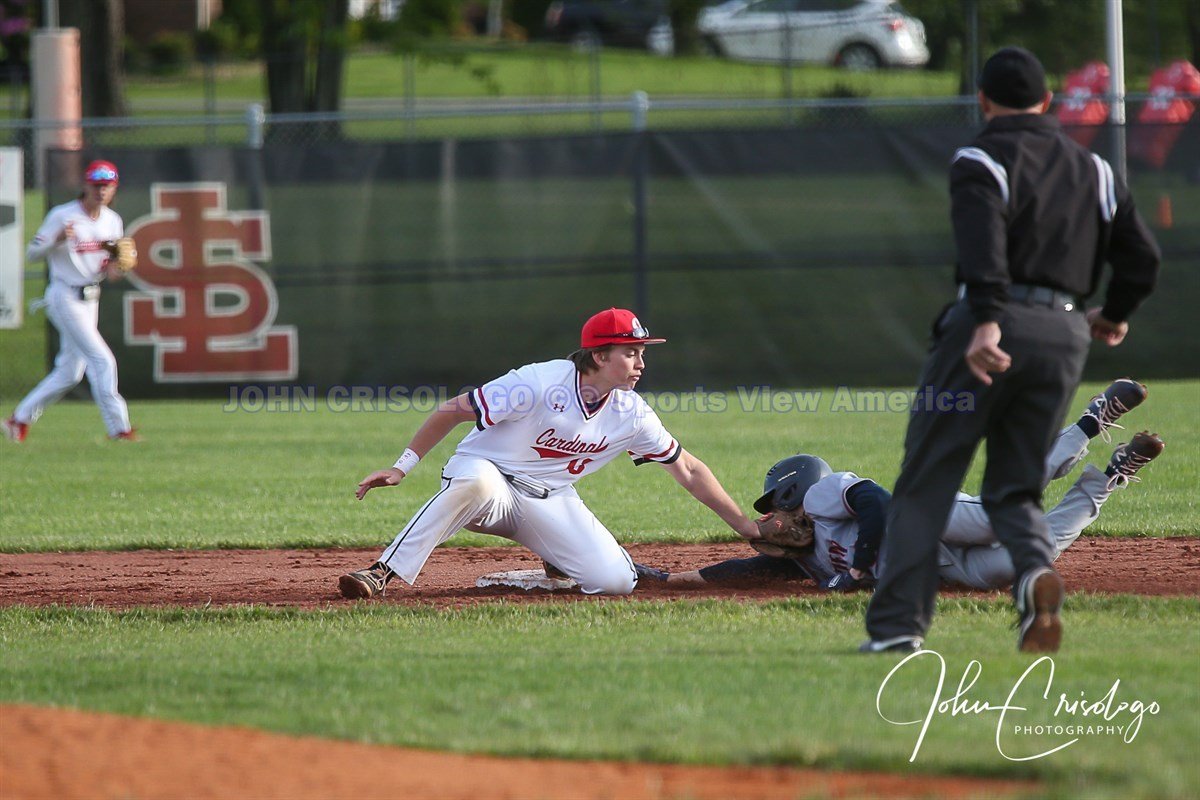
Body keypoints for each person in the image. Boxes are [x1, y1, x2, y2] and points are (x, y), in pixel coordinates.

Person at [862, 47, 1161, 654]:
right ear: (1047, 102)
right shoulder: (1097, 170)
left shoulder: (981, 158)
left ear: (983, 101)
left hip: (987, 330)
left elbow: (984, 249)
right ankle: (1031, 580)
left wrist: (987, 322)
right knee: (1015, 488)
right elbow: (1143, 258)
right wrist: (1113, 314)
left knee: (925, 484)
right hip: (1062, 334)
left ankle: (898, 629)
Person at [338, 307, 759, 599]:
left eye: (642, 353)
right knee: (476, 482)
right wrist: (402, 466)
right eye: (631, 352)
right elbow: (453, 410)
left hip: (550, 499)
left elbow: (687, 469)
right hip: (488, 482)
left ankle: (556, 554)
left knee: (614, 582)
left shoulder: (631, 413)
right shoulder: (536, 383)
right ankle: (383, 571)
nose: (641, 363)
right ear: (599, 355)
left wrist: (745, 527)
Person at [655, 380, 1164, 593]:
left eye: (774, 505)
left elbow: (876, 503)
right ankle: (1109, 478)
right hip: (940, 567)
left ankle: (1090, 422)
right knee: (1026, 559)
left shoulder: (822, 495)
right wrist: (673, 579)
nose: (774, 518)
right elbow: (749, 569)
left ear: (793, 489)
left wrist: (858, 567)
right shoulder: (804, 557)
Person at [3, 160, 136, 443]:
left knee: (70, 372)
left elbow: (111, 271)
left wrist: (120, 267)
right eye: (96, 185)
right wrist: (56, 240)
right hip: (64, 295)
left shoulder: (112, 221)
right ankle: (119, 429)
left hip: (90, 297)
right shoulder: (63, 215)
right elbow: (32, 253)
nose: (101, 191)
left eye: (107, 186)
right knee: (102, 360)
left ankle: (18, 419)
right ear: (85, 185)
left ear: (114, 188)